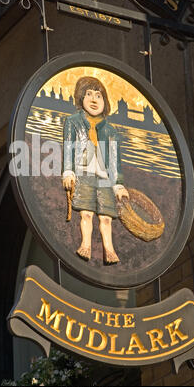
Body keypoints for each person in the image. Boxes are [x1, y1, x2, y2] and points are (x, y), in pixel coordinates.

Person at [62, 76, 129, 264]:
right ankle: (86, 245)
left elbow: (115, 160)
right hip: (83, 173)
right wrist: (68, 171)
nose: (93, 100)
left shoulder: (110, 131)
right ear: (80, 98)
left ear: (105, 101)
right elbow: (69, 147)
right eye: (88, 95)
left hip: (104, 177)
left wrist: (118, 185)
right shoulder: (73, 122)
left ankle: (109, 249)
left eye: (98, 96)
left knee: (106, 216)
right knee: (86, 213)